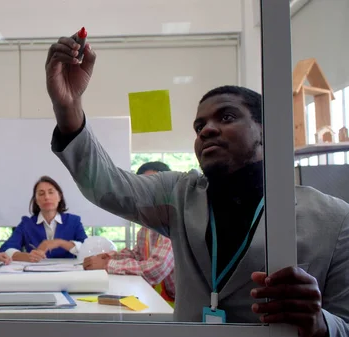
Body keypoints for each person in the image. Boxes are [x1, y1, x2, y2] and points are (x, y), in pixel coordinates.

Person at [45, 35, 349, 337]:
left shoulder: (334, 220)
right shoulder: (178, 194)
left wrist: (320, 322)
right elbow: (105, 185)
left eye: (227, 117)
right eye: (199, 126)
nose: (207, 130)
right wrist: (68, 107)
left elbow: (344, 324)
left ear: (266, 129)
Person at [83, 162, 175, 305]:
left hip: (183, 305)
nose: (147, 192)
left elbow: (156, 269)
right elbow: (138, 255)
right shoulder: (146, 226)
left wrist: (108, 264)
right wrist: (110, 256)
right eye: (142, 187)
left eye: (153, 185)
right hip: (161, 299)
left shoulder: (175, 222)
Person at [0, 176, 88, 262]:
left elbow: (87, 249)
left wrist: (59, 243)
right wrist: (27, 256)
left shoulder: (73, 221)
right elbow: (5, 249)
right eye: (41, 194)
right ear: (36, 200)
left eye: (51, 192)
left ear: (60, 196)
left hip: (67, 274)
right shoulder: (27, 224)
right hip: (37, 274)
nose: (46, 197)